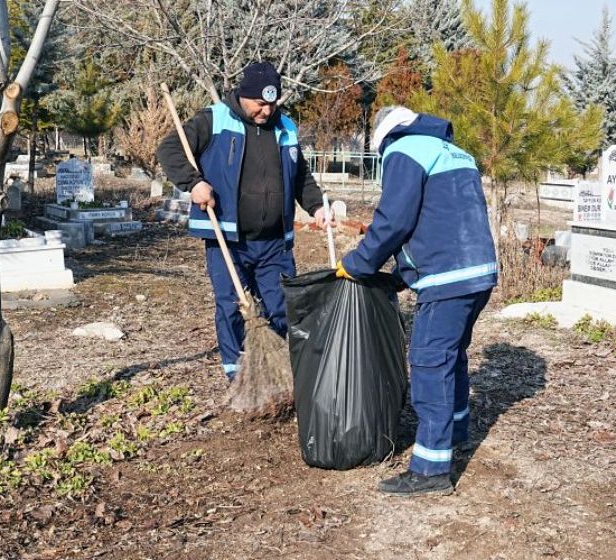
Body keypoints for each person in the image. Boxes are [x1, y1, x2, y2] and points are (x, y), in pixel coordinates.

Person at [336, 106, 498, 497]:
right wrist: (401, 276)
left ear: (383, 139)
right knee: (451, 356)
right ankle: (455, 431)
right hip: (478, 273)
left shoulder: (404, 150)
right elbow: (441, 218)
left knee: (429, 363)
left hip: (447, 279)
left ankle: (430, 468)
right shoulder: (451, 150)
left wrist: (357, 264)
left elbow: (395, 220)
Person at [157, 61, 333, 381]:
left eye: (272, 103)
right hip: (229, 236)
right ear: (243, 96)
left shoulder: (286, 128)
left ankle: (281, 368)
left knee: (281, 306)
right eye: (260, 104)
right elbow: (169, 149)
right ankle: (235, 373)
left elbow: (300, 176)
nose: (266, 111)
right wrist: (193, 182)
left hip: (275, 241)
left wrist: (317, 205)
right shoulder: (214, 119)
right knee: (232, 305)